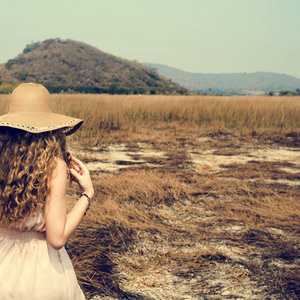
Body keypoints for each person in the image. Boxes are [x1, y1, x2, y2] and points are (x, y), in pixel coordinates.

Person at [0, 83, 94, 299]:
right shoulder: (53, 167)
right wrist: (87, 194)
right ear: (51, 128)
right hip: (39, 273)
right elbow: (57, 238)